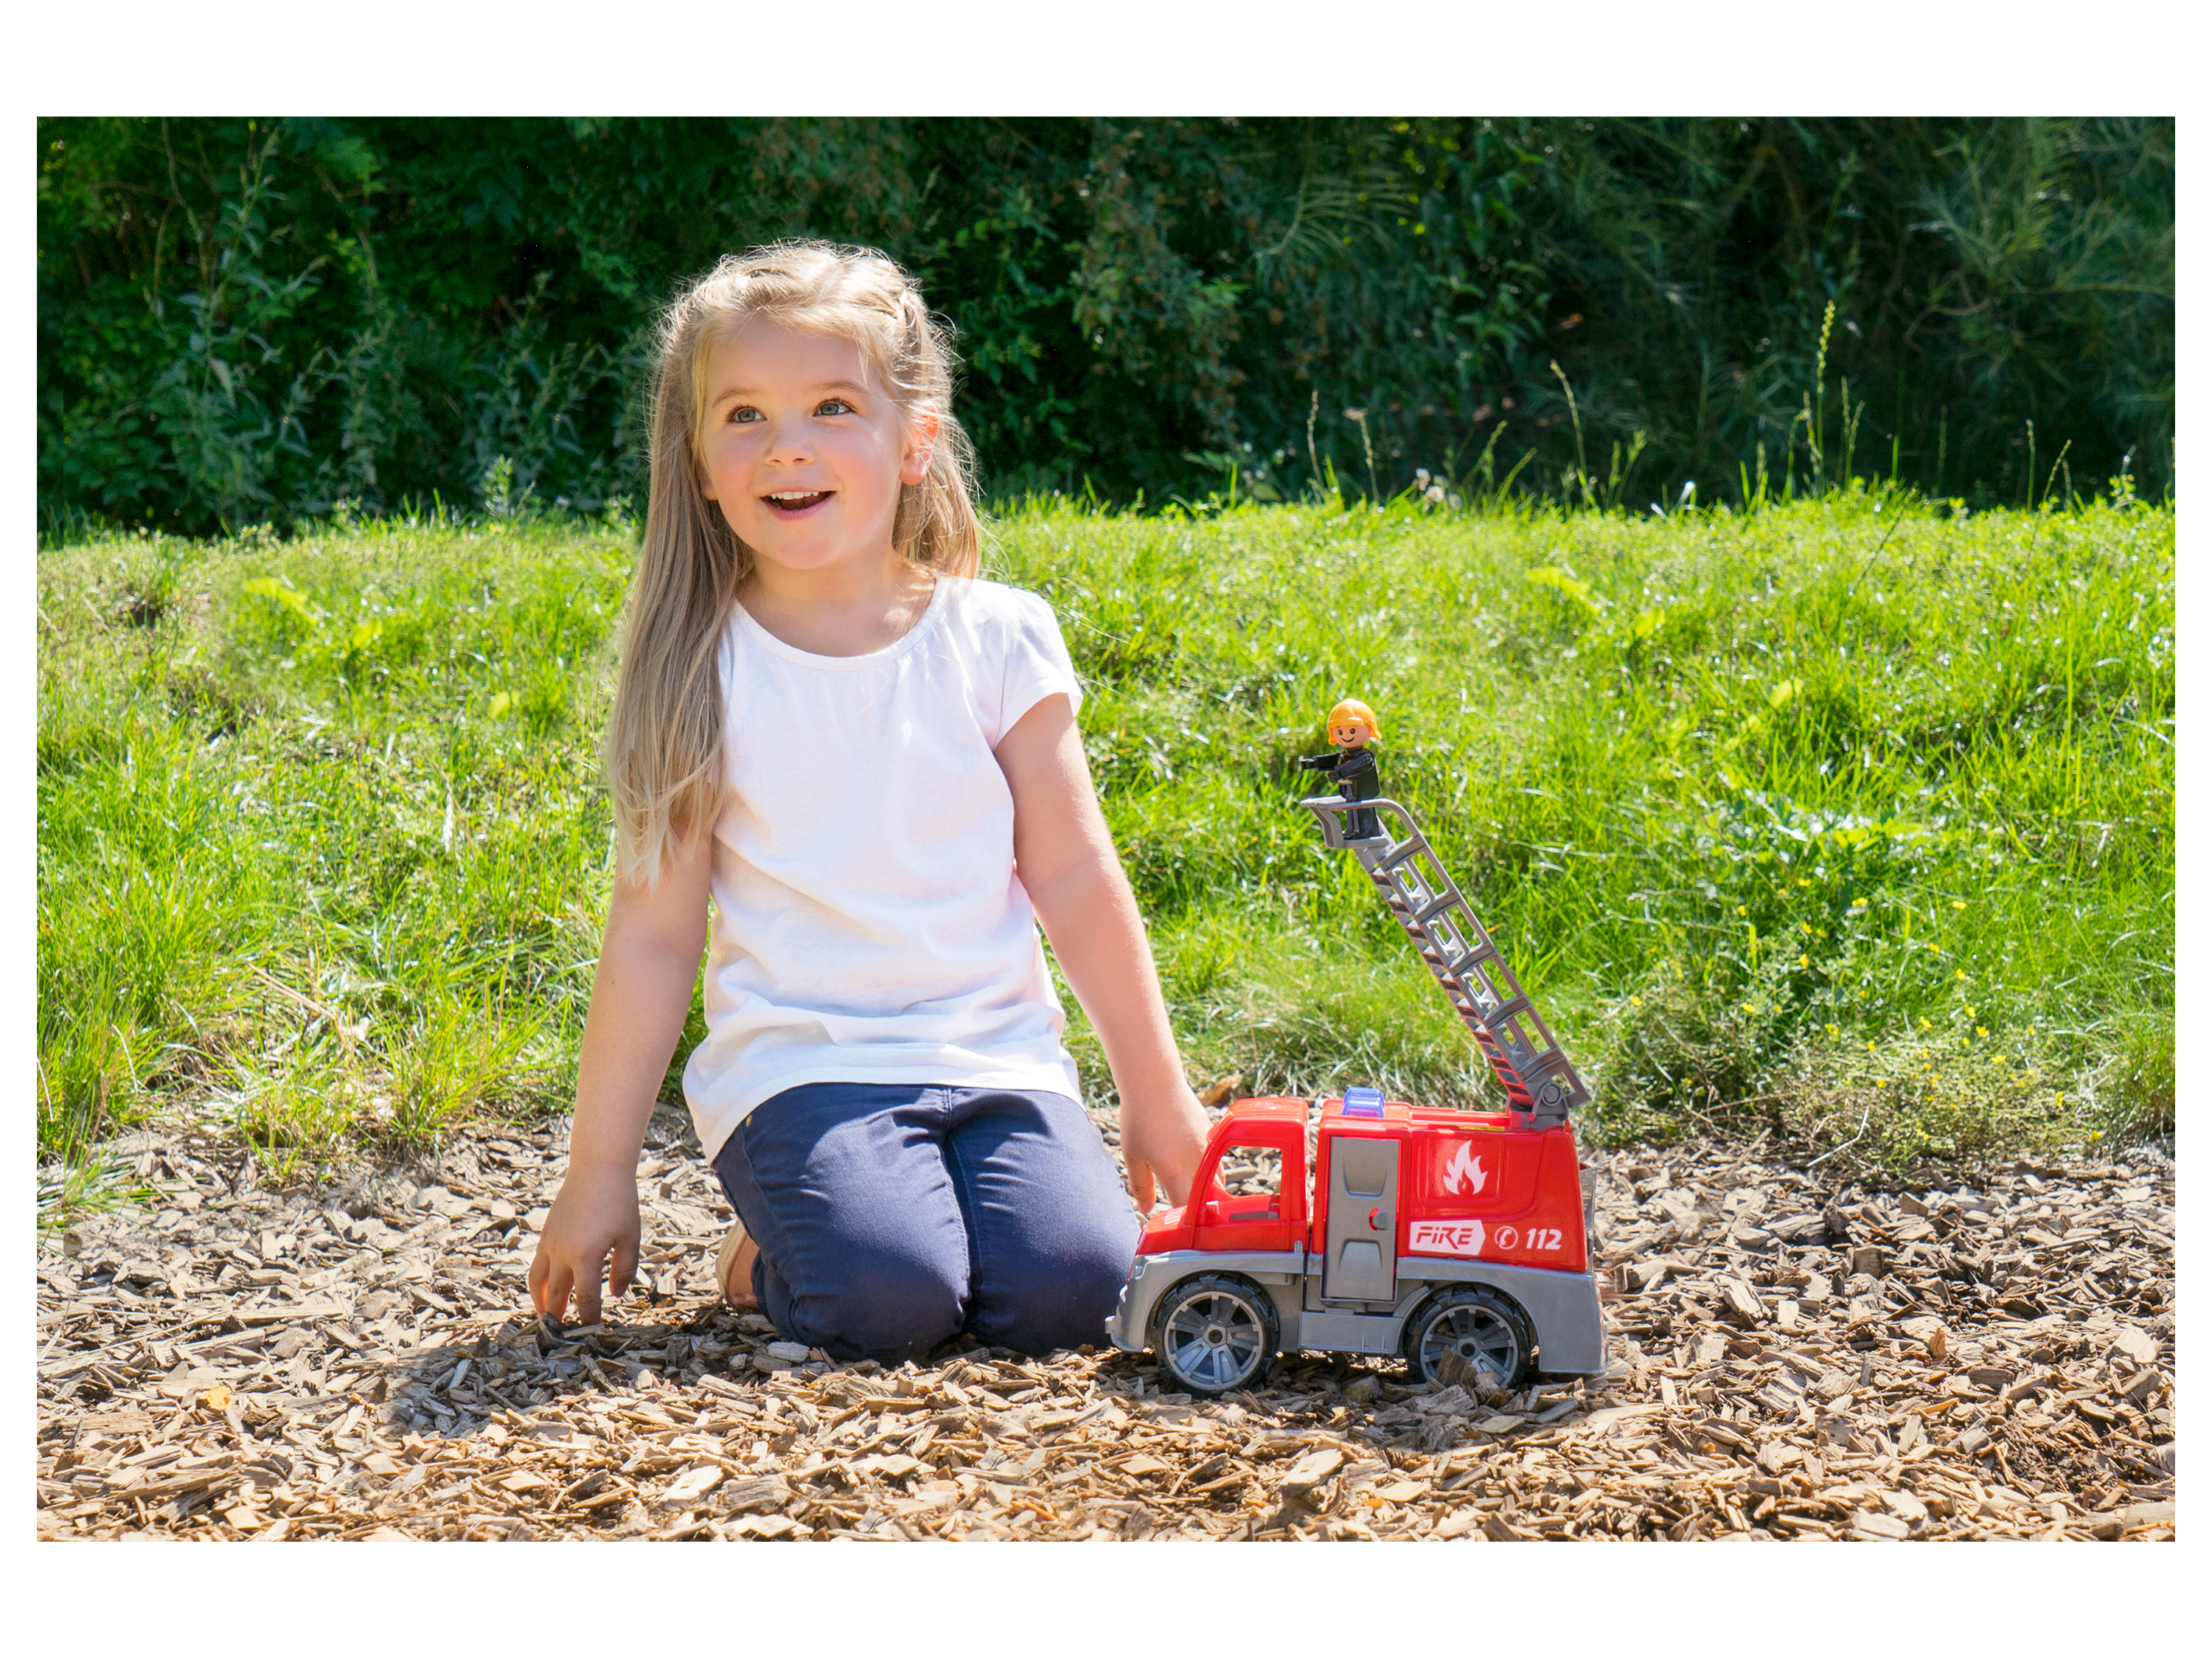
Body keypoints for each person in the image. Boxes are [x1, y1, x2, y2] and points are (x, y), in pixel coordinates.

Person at [529, 242, 1211, 1363]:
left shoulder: (998, 638)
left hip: (996, 1059)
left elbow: (1078, 875)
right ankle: (767, 1255)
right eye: (742, 415)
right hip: (803, 1070)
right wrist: (597, 1174)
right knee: (889, 1300)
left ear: (914, 442)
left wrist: (1155, 1090)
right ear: (699, 461)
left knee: (1080, 1291)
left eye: (831, 406)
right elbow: (654, 938)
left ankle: (905, 1220)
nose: (786, 444)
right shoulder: (702, 665)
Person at [1296, 698, 1385, 840]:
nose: (1346, 736)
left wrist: (1340, 772)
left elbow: (1355, 766)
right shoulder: (1345, 755)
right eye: (1340, 732)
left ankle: (1368, 831)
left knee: (1363, 812)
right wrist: (1315, 763)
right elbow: (1333, 760)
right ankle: (1353, 829)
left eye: (1352, 730)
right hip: (1350, 790)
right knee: (1351, 812)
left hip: (1364, 792)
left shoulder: (1365, 756)